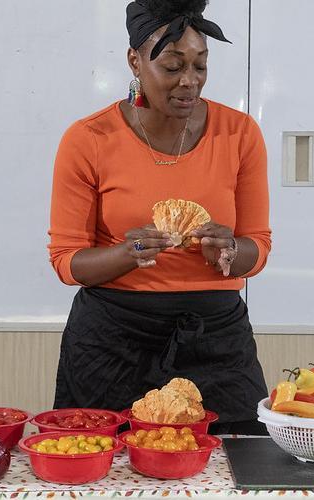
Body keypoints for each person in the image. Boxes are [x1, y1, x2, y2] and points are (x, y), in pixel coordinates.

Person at [47, 0, 271, 435]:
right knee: (101, 470)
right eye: (172, 66)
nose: (190, 82)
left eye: (200, 66)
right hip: (111, 342)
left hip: (216, 339)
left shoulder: (240, 134)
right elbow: (66, 261)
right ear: (135, 61)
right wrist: (128, 252)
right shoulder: (88, 139)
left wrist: (231, 249)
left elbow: (258, 247)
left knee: (237, 463)